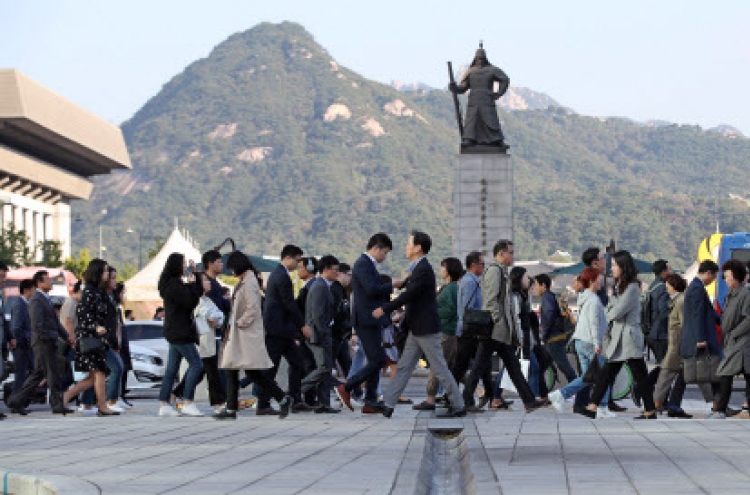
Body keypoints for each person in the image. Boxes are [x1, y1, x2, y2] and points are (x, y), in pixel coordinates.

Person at [374, 231, 465, 418]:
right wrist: (398, 284)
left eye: (409, 244)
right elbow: (410, 287)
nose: (406, 247)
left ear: (418, 248)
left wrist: (386, 308)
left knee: (439, 367)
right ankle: (389, 404)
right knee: (404, 366)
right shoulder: (418, 268)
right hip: (417, 328)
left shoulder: (423, 269)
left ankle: (458, 404)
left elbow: (410, 294)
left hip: (426, 328)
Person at [463, 240, 544, 413]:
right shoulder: (494, 271)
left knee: (511, 365)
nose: (512, 256)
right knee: (480, 366)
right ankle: (467, 399)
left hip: (499, 330)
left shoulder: (501, 271)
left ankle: (529, 401)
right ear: (501, 254)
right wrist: (498, 321)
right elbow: (491, 301)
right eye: (511, 252)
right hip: (493, 329)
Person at [214, 251, 292, 420]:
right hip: (241, 335)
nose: (231, 272)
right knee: (235, 370)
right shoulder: (248, 280)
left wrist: (239, 323)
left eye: (232, 269)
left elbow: (253, 308)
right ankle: (232, 408)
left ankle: (281, 398)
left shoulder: (249, 282)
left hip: (244, 335)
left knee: (251, 373)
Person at [586, 250, 656, 419]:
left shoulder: (632, 287)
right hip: (619, 336)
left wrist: (611, 303)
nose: (612, 269)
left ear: (624, 267)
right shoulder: (619, 287)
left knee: (639, 375)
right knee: (608, 372)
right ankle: (592, 406)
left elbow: (615, 312)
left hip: (629, 337)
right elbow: (613, 309)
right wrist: (612, 303)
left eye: (615, 265)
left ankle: (650, 410)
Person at [339, 233, 399, 412]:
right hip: (366, 320)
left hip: (372, 319)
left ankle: (370, 400)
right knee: (378, 359)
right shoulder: (362, 264)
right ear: (376, 248)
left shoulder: (368, 265)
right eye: (385, 252)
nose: (385, 257)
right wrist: (392, 285)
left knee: (378, 359)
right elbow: (371, 290)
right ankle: (348, 387)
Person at [549, 268, 614, 419]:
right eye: (598, 279)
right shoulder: (593, 300)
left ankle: (561, 395)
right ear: (592, 282)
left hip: (581, 341)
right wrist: (598, 343)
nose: (600, 283)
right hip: (591, 342)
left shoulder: (585, 297)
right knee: (603, 375)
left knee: (588, 377)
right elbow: (594, 323)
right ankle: (602, 407)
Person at [8, 270, 75, 415]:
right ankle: (57, 405)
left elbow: (55, 323)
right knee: (53, 374)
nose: (50, 283)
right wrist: (48, 337)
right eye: (47, 280)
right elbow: (37, 324)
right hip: (43, 343)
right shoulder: (37, 299)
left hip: (48, 341)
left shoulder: (45, 298)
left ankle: (16, 401)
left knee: (38, 374)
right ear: (39, 283)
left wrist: (66, 336)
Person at [172, 251, 229, 412]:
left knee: (204, 370)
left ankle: (177, 394)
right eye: (218, 261)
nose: (208, 283)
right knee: (211, 371)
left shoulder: (209, 296)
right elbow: (210, 316)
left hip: (212, 337)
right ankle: (217, 403)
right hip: (204, 338)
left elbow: (219, 315)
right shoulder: (197, 299)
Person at [259, 244, 310, 416]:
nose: (297, 264)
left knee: (297, 363)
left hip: (282, 329)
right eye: (297, 260)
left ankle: (296, 399)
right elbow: (289, 303)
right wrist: (302, 325)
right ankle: (263, 403)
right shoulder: (281, 276)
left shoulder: (278, 274)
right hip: (277, 329)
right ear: (288, 257)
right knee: (272, 368)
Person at [156, 253, 205, 417]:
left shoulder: (171, 283)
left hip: (175, 331)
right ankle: (187, 401)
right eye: (183, 264)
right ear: (176, 265)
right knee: (197, 365)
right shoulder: (174, 285)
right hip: (180, 332)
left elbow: (193, 295)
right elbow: (191, 301)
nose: (185, 267)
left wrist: (195, 275)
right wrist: (192, 282)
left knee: (171, 370)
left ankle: (164, 404)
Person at [581, 247, 627, 413]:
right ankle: (601, 403)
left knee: (591, 373)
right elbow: (597, 314)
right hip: (595, 336)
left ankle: (588, 403)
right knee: (602, 371)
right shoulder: (594, 282)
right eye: (602, 258)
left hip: (593, 335)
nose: (605, 260)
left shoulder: (592, 280)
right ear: (595, 262)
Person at [413, 258, 462, 411]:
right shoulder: (448, 287)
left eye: (443, 267)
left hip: (447, 332)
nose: (441, 270)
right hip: (447, 331)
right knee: (450, 367)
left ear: (449, 270)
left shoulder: (452, 288)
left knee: (437, 365)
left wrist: (433, 312)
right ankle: (471, 393)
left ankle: (430, 398)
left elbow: (452, 310)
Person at [451, 251, 498, 410]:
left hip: (471, 329)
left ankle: (491, 396)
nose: (483, 267)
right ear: (474, 265)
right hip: (470, 330)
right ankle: (461, 398)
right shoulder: (470, 282)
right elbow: (470, 308)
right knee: (465, 365)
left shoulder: (473, 280)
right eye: (482, 264)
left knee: (481, 364)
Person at [301, 255, 341, 414]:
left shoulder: (325, 286)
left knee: (326, 368)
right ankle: (296, 391)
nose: (337, 273)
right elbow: (317, 315)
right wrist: (324, 332)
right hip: (318, 335)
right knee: (324, 367)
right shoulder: (319, 287)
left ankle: (324, 403)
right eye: (335, 270)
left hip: (323, 333)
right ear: (325, 269)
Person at [680, 260, 722, 411]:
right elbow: (697, 315)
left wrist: (723, 321)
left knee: (703, 372)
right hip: (702, 338)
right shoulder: (697, 288)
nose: (714, 280)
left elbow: (709, 312)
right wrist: (700, 339)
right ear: (708, 273)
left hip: (700, 337)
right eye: (714, 276)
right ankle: (718, 405)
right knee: (712, 371)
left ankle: (718, 404)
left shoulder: (697, 286)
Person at [449, 44, 509, 148]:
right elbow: (463, 87)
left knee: (491, 120)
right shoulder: (470, 71)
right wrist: (454, 88)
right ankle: (469, 139)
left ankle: (497, 140)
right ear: (475, 59)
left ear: (485, 58)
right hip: (474, 99)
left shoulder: (492, 70)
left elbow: (504, 79)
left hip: (487, 99)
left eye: (482, 58)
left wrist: (499, 93)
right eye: (478, 58)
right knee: (472, 120)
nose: (480, 60)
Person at [712, 260, 750, 419]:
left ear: (736, 277)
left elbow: (748, 318)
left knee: (725, 373)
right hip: (732, 340)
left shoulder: (745, 294)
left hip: (741, 342)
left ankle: (720, 409)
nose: (725, 279)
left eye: (727, 276)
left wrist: (734, 333)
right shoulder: (730, 294)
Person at [652, 273, 692, 418]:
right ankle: (660, 402)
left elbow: (684, 323)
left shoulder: (680, 301)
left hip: (677, 342)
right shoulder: (677, 299)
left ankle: (657, 402)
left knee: (667, 372)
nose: (666, 289)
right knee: (668, 372)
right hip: (675, 342)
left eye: (668, 286)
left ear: (674, 286)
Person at [511, 268, 548, 404]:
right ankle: (533, 397)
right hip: (522, 338)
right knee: (532, 367)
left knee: (530, 367)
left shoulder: (524, 296)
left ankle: (534, 396)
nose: (529, 281)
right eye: (526, 278)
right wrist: (520, 338)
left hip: (527, 338)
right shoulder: (516, 297)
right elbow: (516, 319)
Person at [535, 274, 578, 384]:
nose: (535, 288)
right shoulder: (550, 296)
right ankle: (541, 393)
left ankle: (577, 390)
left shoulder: (547, 298)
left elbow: (548, 317)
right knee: (541, 365)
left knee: (564, 366)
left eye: (536, 285)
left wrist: (543, 334)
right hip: (554, 337)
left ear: (543, 285)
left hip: (554, 338)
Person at [295, 256, 320, 409]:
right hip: (307, 333)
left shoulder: (311, 287)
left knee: (309, 365)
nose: (298, 270)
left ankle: (306, 396)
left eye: (301, 267)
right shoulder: (310, 286)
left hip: (308, 333)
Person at [8, 279, 35, 415]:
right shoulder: (19, 304)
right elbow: (16, 327)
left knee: (28, 373)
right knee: (21, 375)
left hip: (26, 346)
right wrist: (26, 339)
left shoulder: (26, 304)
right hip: (21, 346)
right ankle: (15, 402)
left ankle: (17, 401)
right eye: (33, 289)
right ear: (26, 290)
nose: (34, 292)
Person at [330, 262, 353, 383]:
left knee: (347, 365)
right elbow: (337, 313)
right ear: (340, 274)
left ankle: (354, 391)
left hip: (341, 335)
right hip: (335, 334)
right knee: (327, 369)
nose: (350, 278)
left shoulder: (342, 290)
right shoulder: (334, 290)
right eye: (348, 275)